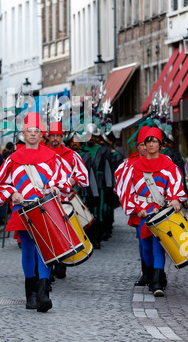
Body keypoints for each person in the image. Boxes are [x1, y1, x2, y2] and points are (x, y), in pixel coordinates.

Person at [0, 112, 71, 312]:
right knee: (28, 250)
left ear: (42, 134)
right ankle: (31, 294)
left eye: (37, 131)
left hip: (45, 208)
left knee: (45, 250)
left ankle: (44, 293)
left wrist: (55, 187)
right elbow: (1, 184)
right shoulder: (12, 159)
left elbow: (63, 178)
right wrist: (13, 194)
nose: (34, 134)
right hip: (23, 209)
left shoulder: (52, 157)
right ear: (23, 133)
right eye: (30, 131)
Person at [120, 127, 187, 297]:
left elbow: (176, 184)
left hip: (162, 212)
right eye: (148, 141)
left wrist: (174, 198)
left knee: (158, 247)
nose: (151, 144)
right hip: (143, 211)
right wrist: (137, 209)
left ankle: (156, 282)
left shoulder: (169, 164)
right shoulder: (135, 167)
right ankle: (151, 276)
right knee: (146, 248)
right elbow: (129, 191)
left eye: (154, 141)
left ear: (160, 144)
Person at [46, 121, 89, 278]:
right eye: (52, 136)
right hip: (47, 199)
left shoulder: (72, 154)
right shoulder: (42, 153)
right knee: (48, 232)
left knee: (63, 232)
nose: (55, 138)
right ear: (48, 137)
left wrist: (73, 180)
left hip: (65, 200)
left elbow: (84, 177)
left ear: (62, 136)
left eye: (58, 135)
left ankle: (62, 263)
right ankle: (48, 267)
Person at [115, 125, 149, 286]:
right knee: (143, 243)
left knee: (159, 244)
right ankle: (147, 272)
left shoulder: (164, 161)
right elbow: (124, 189)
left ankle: (158, 274)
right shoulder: (129, 164)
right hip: (139, 210)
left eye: (149, 142)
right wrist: (134, 207)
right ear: (138, 146)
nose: (146, 147)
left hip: (158, 208)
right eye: (142, 144)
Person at [79, 123, 113, 249]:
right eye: (88, 135)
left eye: (93, 135)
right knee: (85, 210)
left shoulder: (103, 150)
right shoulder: (82, 149)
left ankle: (97, 236)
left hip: (100, 183)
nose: (91, 138)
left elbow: (108, 168)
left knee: (98, 211)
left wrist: (109, 185)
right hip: (84, 185)